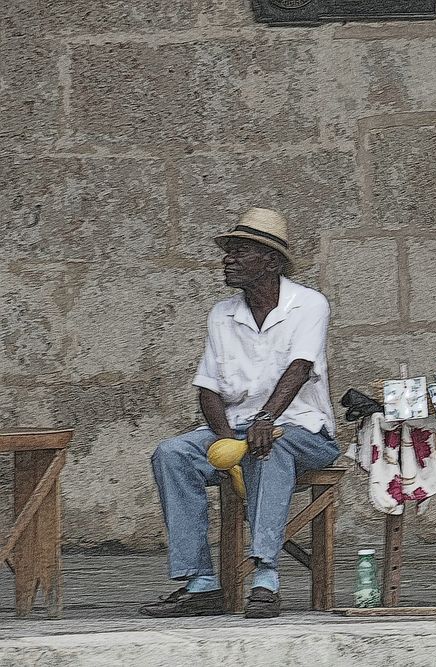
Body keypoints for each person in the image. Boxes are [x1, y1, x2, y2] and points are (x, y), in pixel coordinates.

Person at [140, 208, 340, 619]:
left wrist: (265, 420)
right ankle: (200, 582)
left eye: (239, 251)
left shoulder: (309, 305)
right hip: (239, 430)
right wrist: (224, 435)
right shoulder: (221, 314)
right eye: (227, 251)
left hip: (304, 432)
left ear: (270, 260)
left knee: (268, 450)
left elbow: (299, 369)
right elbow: (208, 387)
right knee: (172, 454)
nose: (227, 260)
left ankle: (265, 576)